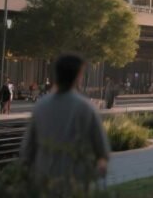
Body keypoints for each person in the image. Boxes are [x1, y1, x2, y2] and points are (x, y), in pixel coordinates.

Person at [19, 53, 110, 188]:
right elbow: (102, 151)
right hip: (76, 184)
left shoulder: (40, 107)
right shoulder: (86, 108)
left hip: (44, 184)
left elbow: (27, 151)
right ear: (78, 76)